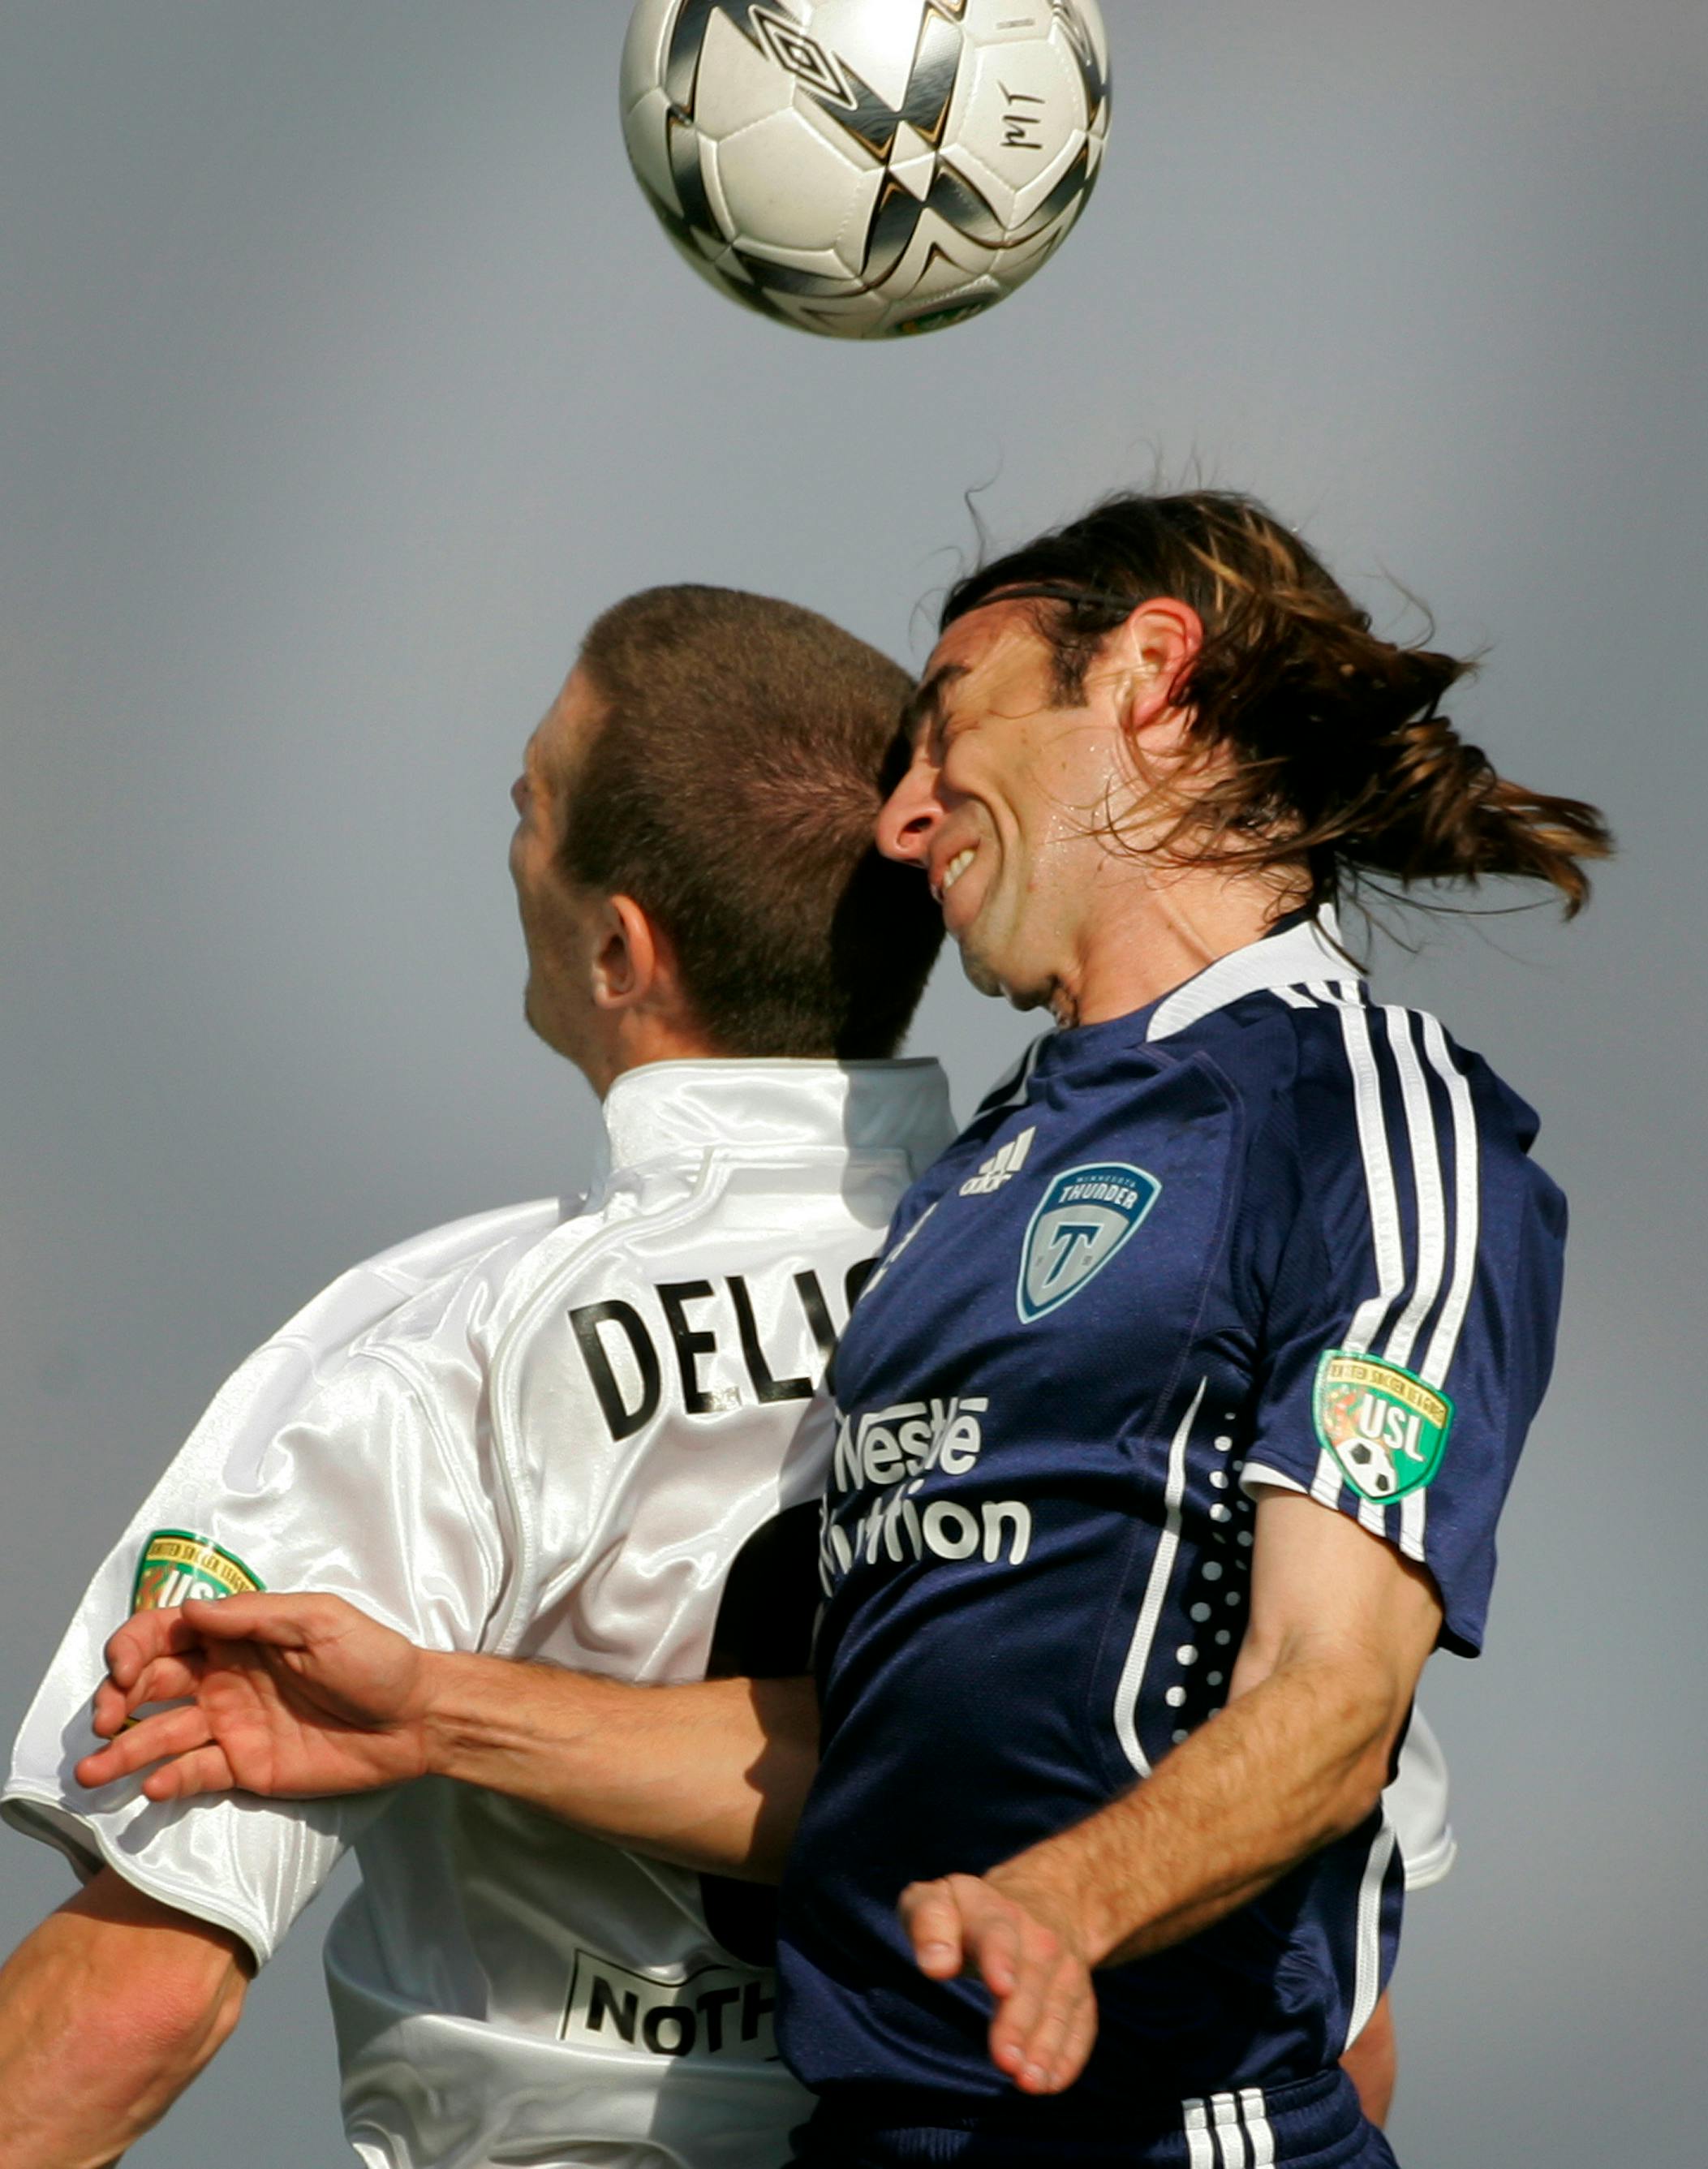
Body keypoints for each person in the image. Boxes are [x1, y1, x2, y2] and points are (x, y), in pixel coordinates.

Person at [78, 491, 1585, 2167]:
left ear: (1151, 673)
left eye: (948, 720)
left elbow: (1330, 1693)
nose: (904, 815)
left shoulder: (1361, 1114)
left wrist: (1066, 1901)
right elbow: (862, 1763)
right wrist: (434, 1712)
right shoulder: (968, 1189)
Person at [0, 585, 952, 2169]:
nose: (508, 835)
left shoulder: (439, 1348)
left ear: (616, 945)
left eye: (534, 802)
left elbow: (136, 2003)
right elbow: (1337, 2016)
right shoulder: (1106, 1310)